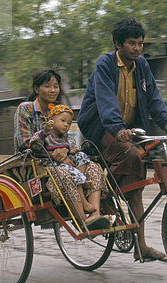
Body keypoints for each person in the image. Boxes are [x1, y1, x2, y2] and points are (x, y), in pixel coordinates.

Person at [78, 17, 167, 262]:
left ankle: (141, 246)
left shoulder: (142, 65)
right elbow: (106, 101)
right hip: (99, 128)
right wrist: (116, 128)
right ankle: (105, 196)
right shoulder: (105, 64)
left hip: (127, 131)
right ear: (118, 44)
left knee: (136, 187)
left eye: (140, 44)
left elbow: (154, 97)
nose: (137, 48)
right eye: (132, 43)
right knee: (133, 159)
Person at [14, 69, 110, 230]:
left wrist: (66, 151)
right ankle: (82, 221)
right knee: (64, 174)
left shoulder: (59, 110)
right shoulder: (26, 109)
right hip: (34, 163)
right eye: (47, 86)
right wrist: (52, 154)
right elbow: (24, 144)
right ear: (36, 89)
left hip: (62, 160)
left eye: (56, 86)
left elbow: (65, 139)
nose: (53, 90)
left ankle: (95, 215)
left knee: (94, 167)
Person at [29, 103, 109, 227]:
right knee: (66, 172)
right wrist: (45, 131)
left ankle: (94, 212)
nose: (66, 125)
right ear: (51, 120)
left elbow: (73, 149)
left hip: (70, 166)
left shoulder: (67, 138)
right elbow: (34, 144)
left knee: (86, 160)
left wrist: (73, 151)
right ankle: (83, 216)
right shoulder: (45, 135)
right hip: (52, 165)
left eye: (69, 123)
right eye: (62, 121)